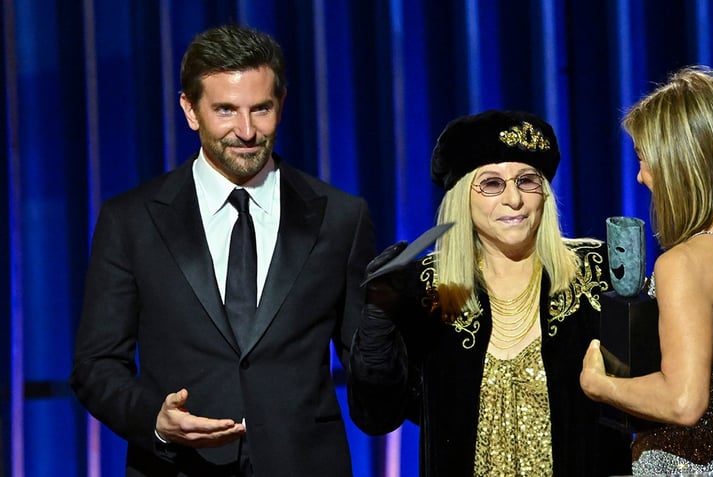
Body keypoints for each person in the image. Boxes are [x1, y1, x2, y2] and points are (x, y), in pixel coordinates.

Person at [70, 24, 374, 476]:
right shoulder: (130, 219)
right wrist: (155, 419)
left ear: (282, 104)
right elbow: (95, 366)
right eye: (226, 110)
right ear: (190, 110)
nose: (247, 131)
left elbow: (369, 364)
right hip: (179, 467)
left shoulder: (341, 218)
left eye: (262, 109)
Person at [348, 109, 635, 476]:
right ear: (462, 197)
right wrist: (377, 322)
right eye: (492, 184)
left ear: (544, 195)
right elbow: (377, 415)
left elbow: (645, 398)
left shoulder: (596, 272)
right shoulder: (429, 289)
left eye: (527, 180)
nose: (513, 199)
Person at [579, 65, 713, 473]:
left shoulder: (682, 264)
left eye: (644, 159)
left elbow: (683, 402)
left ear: (681, 164)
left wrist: (601, 385)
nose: (640, 177)